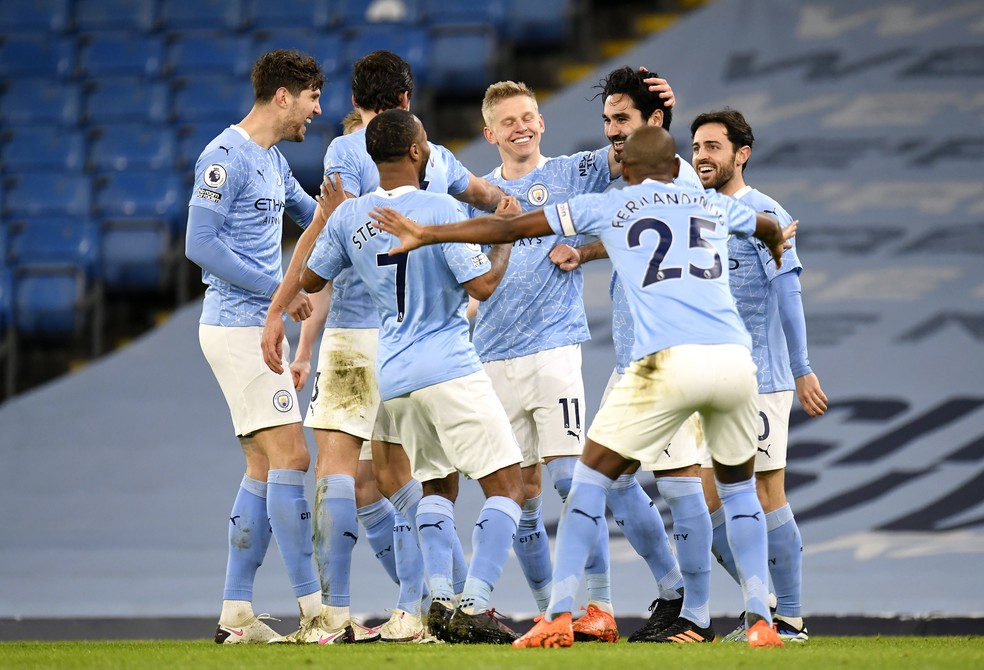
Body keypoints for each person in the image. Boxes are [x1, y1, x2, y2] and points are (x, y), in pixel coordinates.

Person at [370, 124, 794, 650]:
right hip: (733, 361)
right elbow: (768, 225)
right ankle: (760, 620)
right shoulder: (710, 205)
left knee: (588, 482)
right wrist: (776, 243)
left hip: (664, 361)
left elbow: (512, 229)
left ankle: (560, 614)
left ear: (631, 171)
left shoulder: (610, 206)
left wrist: (431, 234)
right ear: (674, 165)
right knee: (738, 491)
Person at [260, 50, 504, 642]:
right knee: (417, 480)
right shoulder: (436, 160)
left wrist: (278, 310)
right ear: (407, 103)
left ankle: (332, 616)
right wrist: (510, 216)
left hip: (353, 333)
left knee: (341, 471)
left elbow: (319, 235)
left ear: (355, 104)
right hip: (420, 338)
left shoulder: (343, 153)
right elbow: (484, 199)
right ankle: (418, 609)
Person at [301, 108, 526, 644]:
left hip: (394, 374)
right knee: (508, 485)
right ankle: (473, 603)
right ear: (418, 152)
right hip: (448, 364)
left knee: (436, 485)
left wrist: (331, 220)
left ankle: (441, 602)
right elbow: (484, 288)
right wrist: (505, 240)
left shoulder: (352, 215)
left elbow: (311, 276)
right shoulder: (441, 209)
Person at [551, 65, 717, 643]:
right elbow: (642, 232)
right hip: (634, 360)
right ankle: (676, 592)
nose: (612, 132)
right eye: (606, 121)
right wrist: (589, 254)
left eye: (623, 120)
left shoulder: (686, 183)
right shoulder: (636, 188)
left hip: (669, 360)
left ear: (655, 124)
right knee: (610, 479)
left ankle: (698, 614)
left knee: (679, 483)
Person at [184, 49, 341, 645]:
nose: (317, 111)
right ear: (283, 96)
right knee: (293, 458)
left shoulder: (272, 161)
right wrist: (280, 289)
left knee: (263, 465)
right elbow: (200, 244)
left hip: (255, 325)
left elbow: (317, 217)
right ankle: (314, 612)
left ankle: (237, 613)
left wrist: (362, 208)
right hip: (239, 327)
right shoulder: (224, 157)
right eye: (311, 99)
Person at [690, 108, 828, 643]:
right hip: (704, 375)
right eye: (697, 146)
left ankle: (788, 617)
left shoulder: (765, 212)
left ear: (740, 154)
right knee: (702, 500)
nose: (702, 155)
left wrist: (802, 370)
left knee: (765, 489)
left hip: (759, 377)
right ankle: (762, 602)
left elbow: (787, 293)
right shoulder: (695, 209)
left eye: (713, 147)